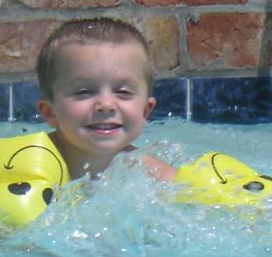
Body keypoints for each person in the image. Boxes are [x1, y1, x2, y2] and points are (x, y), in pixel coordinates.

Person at [34, 17, 177, 182]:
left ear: (145, 111)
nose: (106, 105)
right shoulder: (30, 162)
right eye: (84, 91)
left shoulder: (155, 176)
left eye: (123, 92)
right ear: (50, 113)